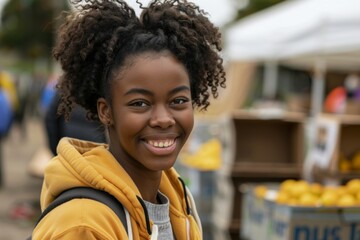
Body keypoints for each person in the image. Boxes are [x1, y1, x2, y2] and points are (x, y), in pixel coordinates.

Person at [32, 0, 226, 239]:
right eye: (140, 104)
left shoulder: (178, 201)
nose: (163, 119)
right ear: (106, 111)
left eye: (178, 101)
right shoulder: (82, 225)